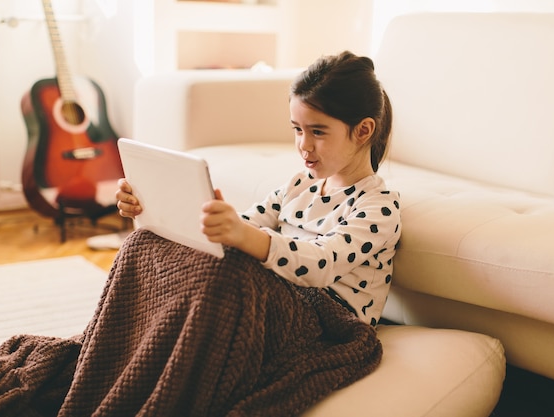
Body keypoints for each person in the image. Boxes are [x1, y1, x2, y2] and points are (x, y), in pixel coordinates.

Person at [116, 50, 401, 327]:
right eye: (298, 130)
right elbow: (244, 226)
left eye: (317, 132)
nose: (304, 144)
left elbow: (322, 264)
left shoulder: (377, 207)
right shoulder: (299, 185)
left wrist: (242, 235)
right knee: (144, 245)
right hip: (283, 298)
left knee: (226, 279)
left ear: (363, 131)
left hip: (330, 321)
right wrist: (156, 209)